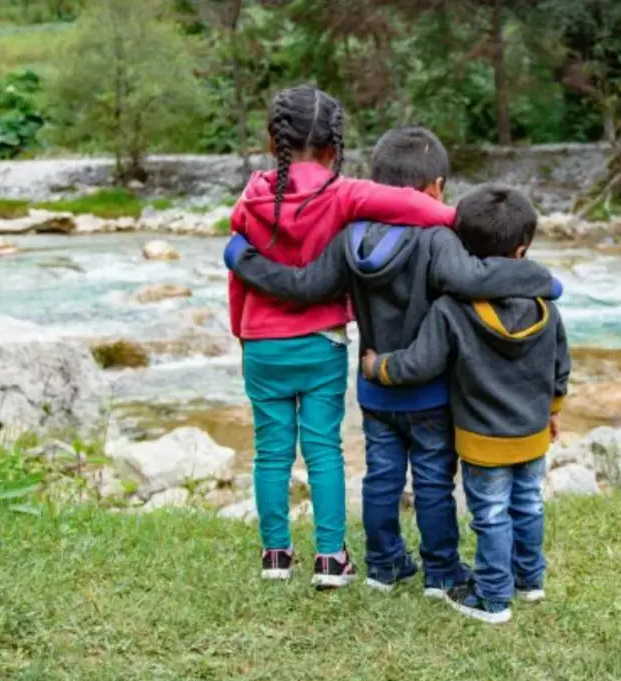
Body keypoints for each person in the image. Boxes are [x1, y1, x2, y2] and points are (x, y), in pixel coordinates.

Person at [224, 126, 562, 597]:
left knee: (381, 477)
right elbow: (473, 278)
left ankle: (383, 565)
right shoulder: (438, 240)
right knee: (431, 482)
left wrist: (243, 258)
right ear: (437, 187)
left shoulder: (351, 237)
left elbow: (305, 287)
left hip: (373, 383)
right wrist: (538, 279)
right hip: (430, 390)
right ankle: (441, 572)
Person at [227, 86, 459, 590]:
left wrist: (241, 333)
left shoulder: (250, 199)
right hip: (322, 342)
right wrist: (470, 221)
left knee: (270, 451)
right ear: (335, 147)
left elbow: (238, 277)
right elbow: (422, 209)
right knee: (323, 448)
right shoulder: (345, 193)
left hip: (261, 341)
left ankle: (275, 555)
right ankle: (331, 558)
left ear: (273, 142)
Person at [360, 184, 571, 624]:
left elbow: (419, 363)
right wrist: (552, 411)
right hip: (532, 432)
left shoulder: (453, 309)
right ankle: (529, 580)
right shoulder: (546, 306)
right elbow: (560, 367)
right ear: (522, 249)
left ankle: (493, 597)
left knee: (490, 514)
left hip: (481, 438)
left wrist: (379, 366)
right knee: (528, 503)